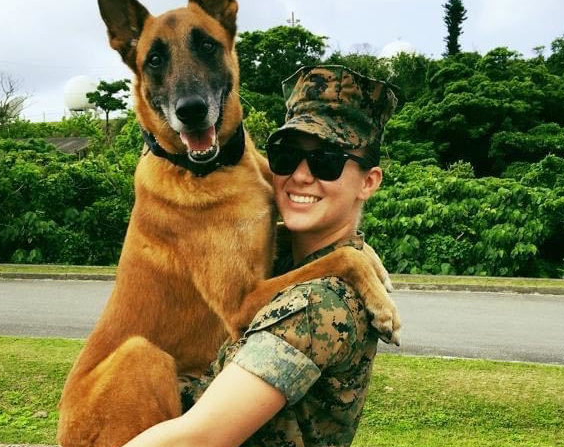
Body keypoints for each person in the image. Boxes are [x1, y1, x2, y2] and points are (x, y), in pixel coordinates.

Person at [123, 65, 399, 447]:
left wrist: (351, 262)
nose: (300, 176)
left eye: (327, 161)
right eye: (286, 156)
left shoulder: (316, 303)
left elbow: (196, 439)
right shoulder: (291, 260)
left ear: (368, 182)